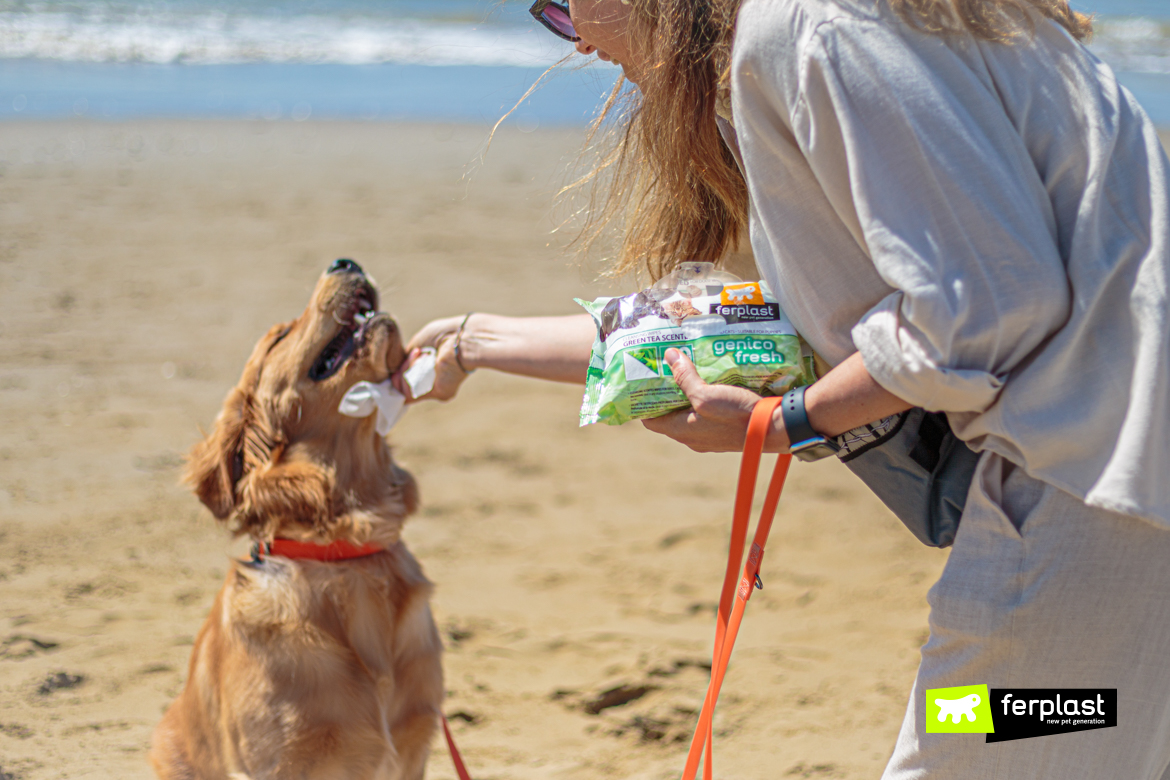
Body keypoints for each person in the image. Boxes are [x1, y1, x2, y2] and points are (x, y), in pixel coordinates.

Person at [398, 0, 1170, 776]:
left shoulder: (807, 29)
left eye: (563, 6)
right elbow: (749, 332)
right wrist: (478, 343)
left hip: (1097, 483)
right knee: (1036, 720)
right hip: (1118, 466)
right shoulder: (817, 31)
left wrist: (790, 422)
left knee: (971, 736)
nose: (576, 40)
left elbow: (983, 309)